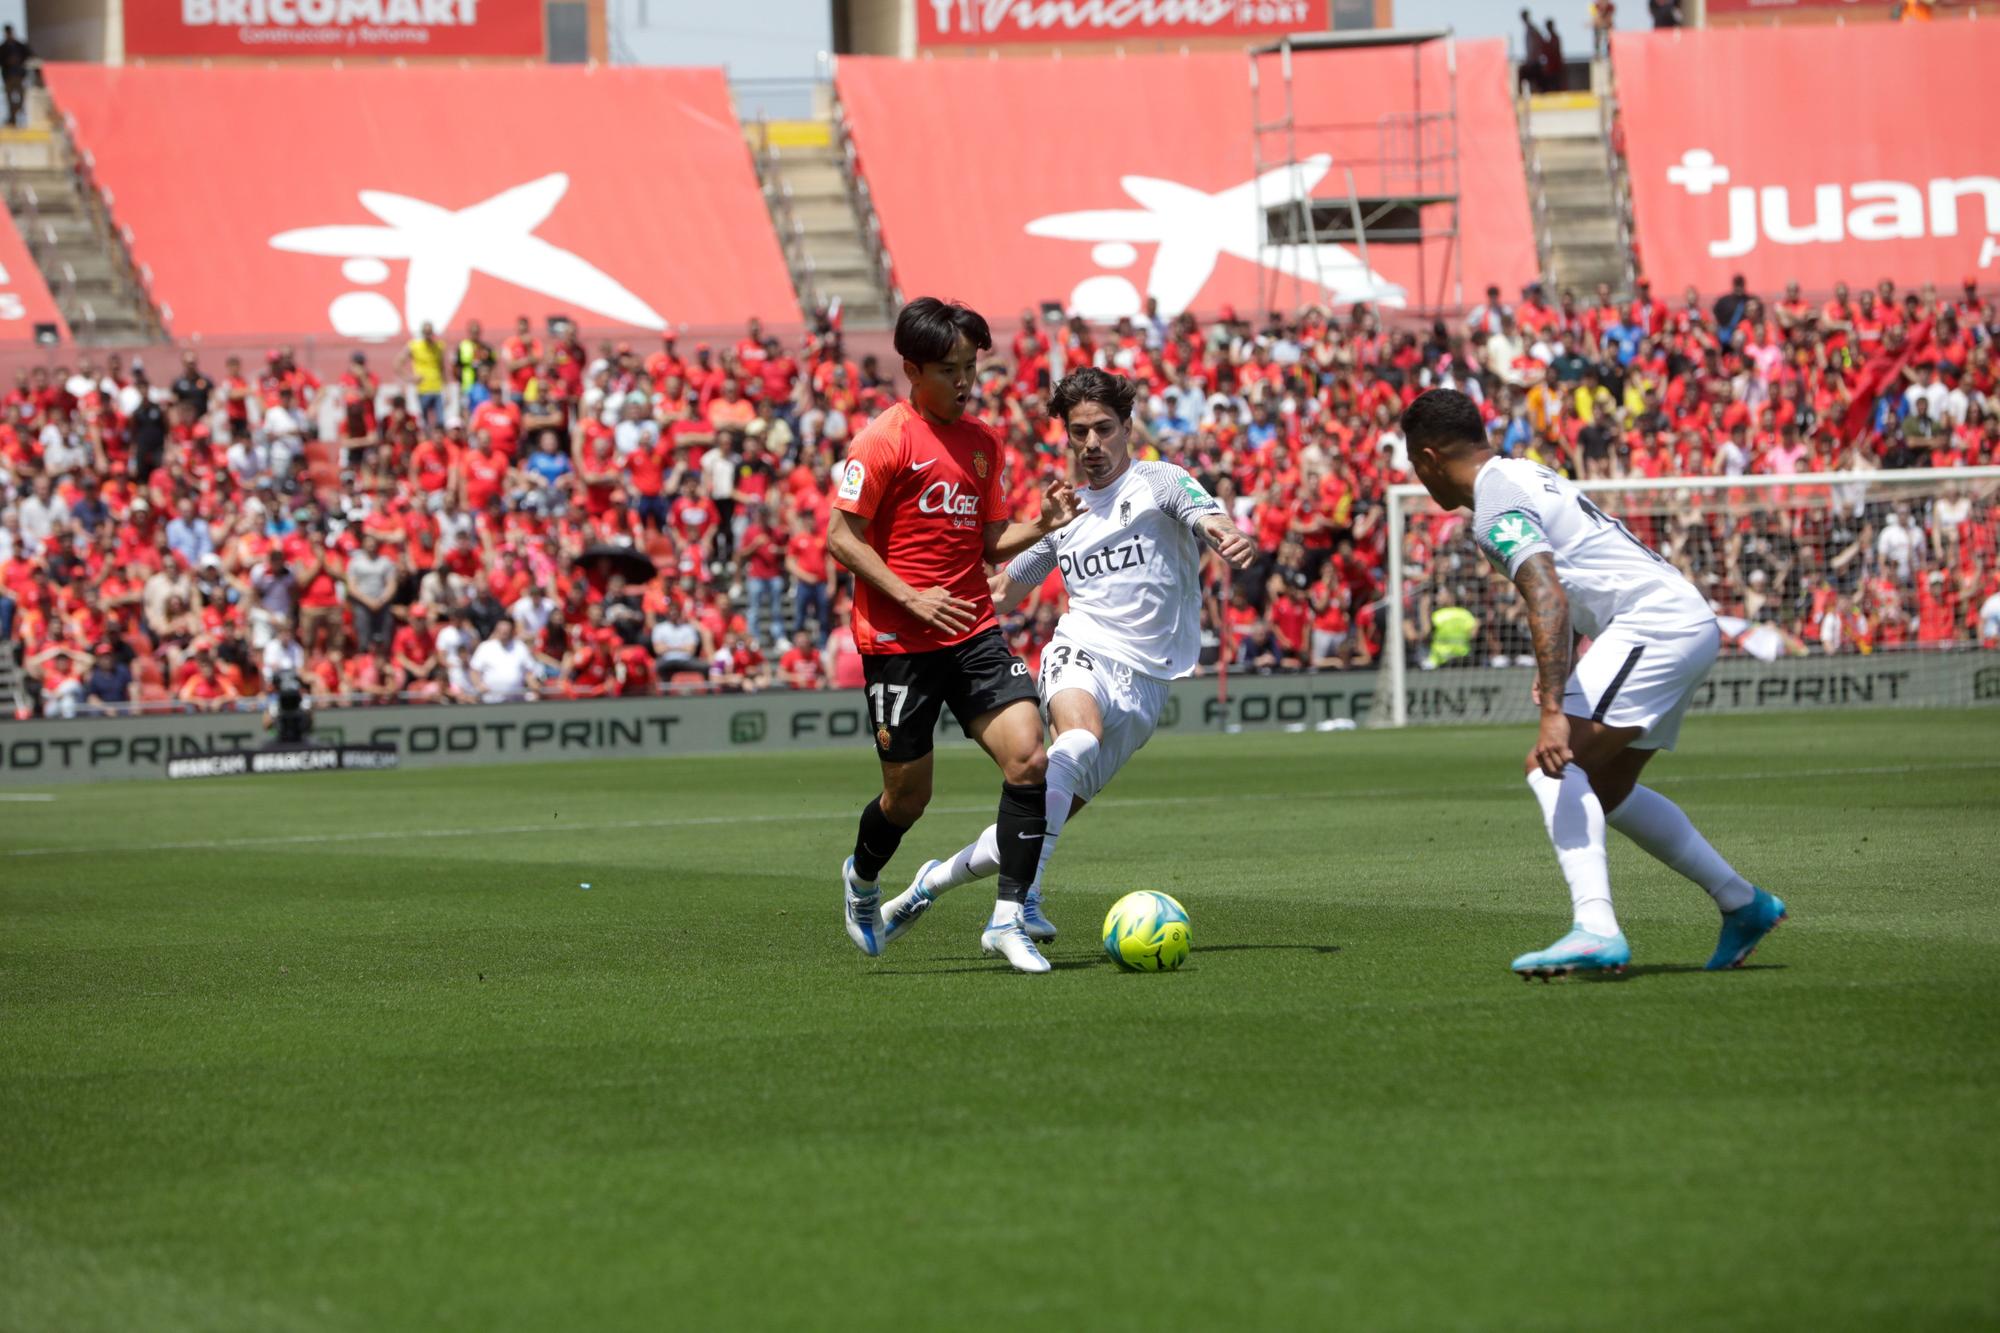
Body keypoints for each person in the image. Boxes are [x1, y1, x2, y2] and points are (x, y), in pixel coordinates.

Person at [1400, 388, 1787, 978]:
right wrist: (1554, 668)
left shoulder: (1492, 506)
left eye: (1413, 465)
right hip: (1678, 619)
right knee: (1604, 786)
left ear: (1427, 458)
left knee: (1550, 762)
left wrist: (1554, 706)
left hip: (1652, 625)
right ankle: (1743, 903)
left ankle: (1596, 928)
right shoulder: (1525, 472)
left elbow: (1548, 593)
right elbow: (1582, 575)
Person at [884, 368, 1253, 943]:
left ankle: (933, 884)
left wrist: (1224, 532)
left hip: (1147, 683)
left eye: (1104, 429)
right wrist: (919, 596)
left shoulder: (1159, 481)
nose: (1091, 444)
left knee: (1043, 818)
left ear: (1127, 428)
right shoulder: (1066, 515)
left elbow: (1203, 514)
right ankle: (1015, 909)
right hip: (1081, 650)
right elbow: (1005, 588)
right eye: (1079, 432)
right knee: (1075, 741)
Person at [826, 297, 1081, 974]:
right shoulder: (884, 439)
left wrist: (1046, 522)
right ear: (912, 368)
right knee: (908, 798)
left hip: (971, 629)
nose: (965, 381)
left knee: (1030, 757)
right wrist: (911, 596)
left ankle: (1007, 916)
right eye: (949, 369)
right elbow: (840, 538)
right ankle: (862, 876)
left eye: (971, 367)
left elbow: (993, 544)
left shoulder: (984, 442)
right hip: (898, 643)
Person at [0, 25, 31, 130]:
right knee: (9, 99)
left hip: (19, 76)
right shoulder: (3, 48)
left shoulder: (20, 46)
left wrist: (19, 61)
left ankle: (14, 112)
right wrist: (8, 61)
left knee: (22, 98)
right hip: (8, 77)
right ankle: (12, 120)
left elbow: (29, 55)